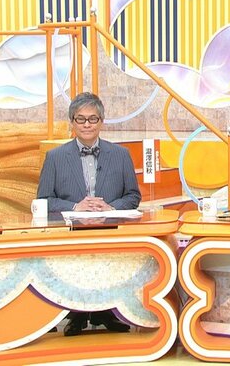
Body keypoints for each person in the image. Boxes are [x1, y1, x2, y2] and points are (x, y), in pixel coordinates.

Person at [36, 92, 140, 336]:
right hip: (70, 236)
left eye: (92, 119)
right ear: (72, 122)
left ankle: (107, 312)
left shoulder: (121, 155)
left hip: (110, 234)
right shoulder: (55, 157)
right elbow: (43, 200)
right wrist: (75, 207)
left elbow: (133, 196)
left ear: (101, 121)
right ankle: (77, 315)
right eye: (80, 119)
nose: (86, 125)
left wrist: (111, 208)